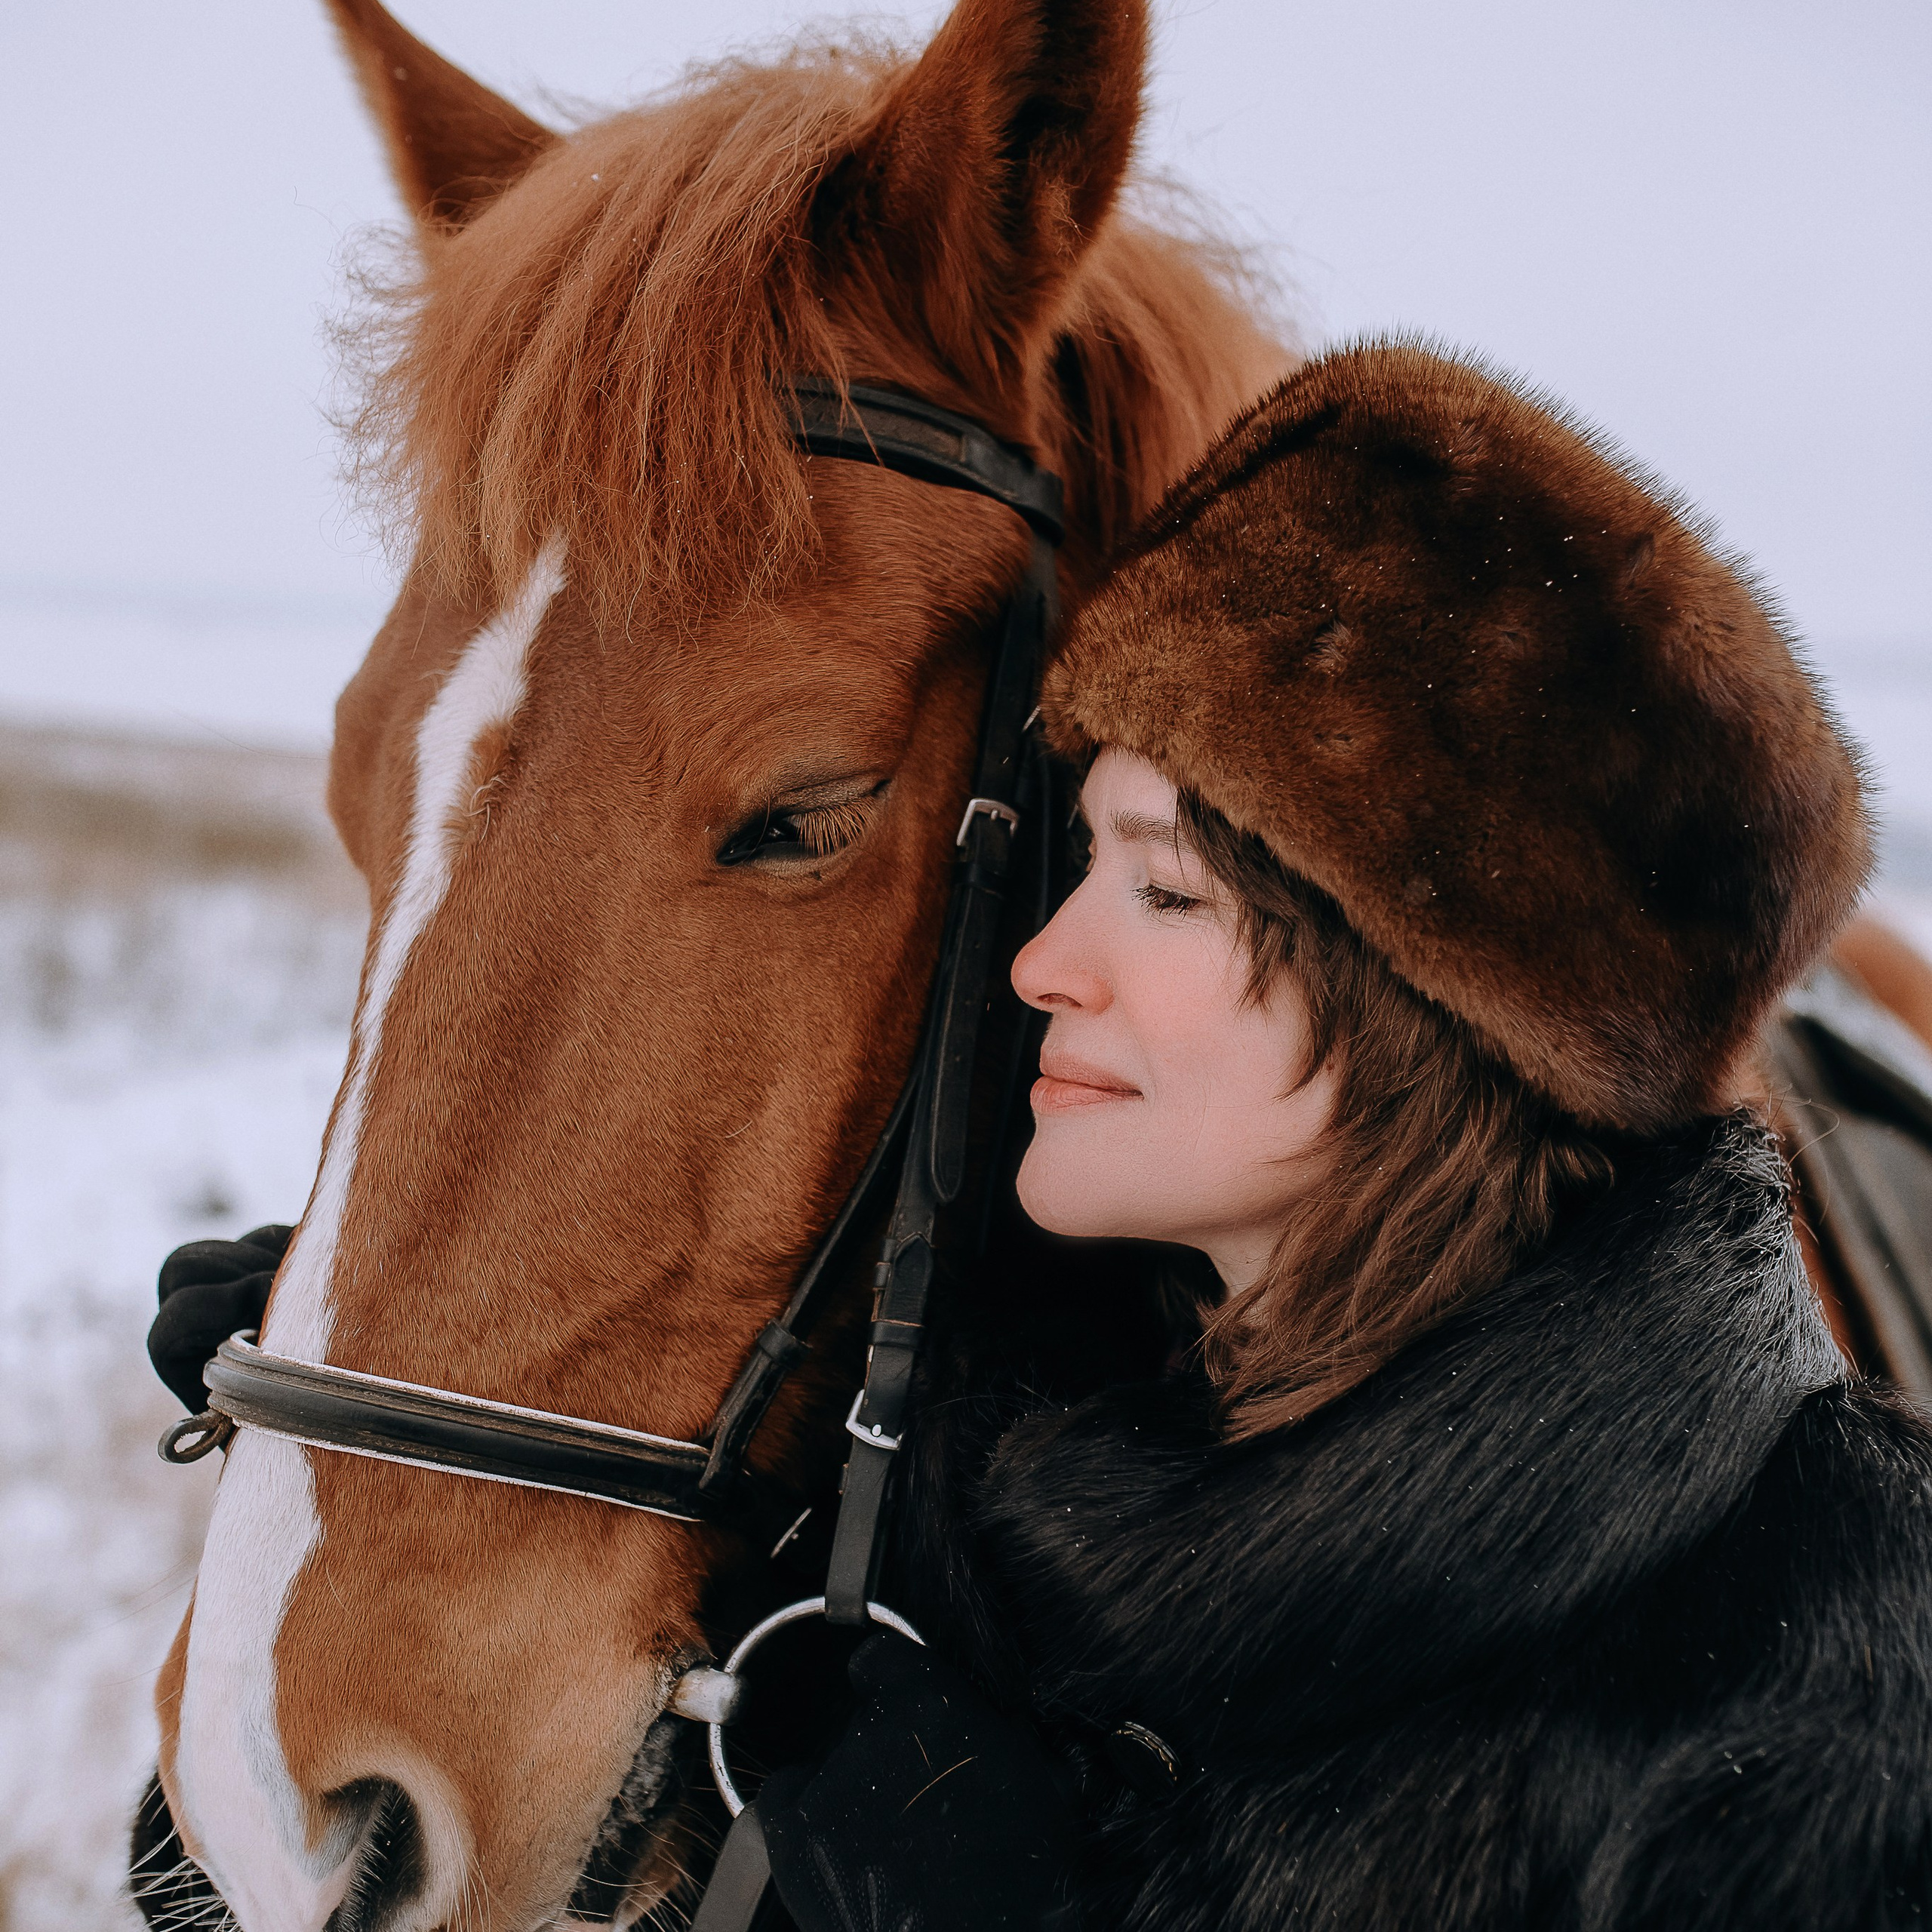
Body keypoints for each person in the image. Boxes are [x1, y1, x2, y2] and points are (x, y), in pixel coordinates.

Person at [749, 343, 1932, 1930]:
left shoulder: (1832, 1713)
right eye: (1077, 865)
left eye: (1164, 890)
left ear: (1438, 1002)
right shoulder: (1026, 1518)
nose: (1044, 964)